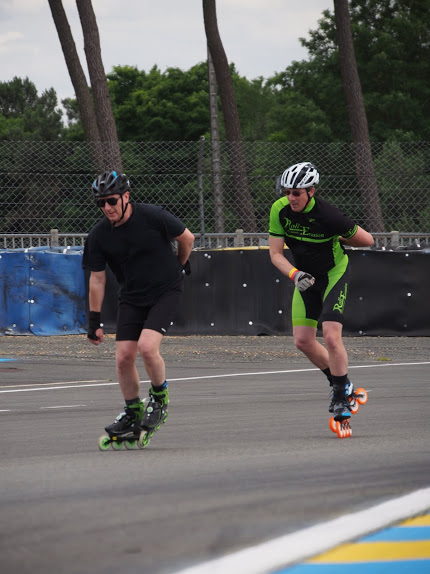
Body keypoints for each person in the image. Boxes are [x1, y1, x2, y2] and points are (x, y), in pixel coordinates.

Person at [82, 170, 194, 445]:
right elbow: (97, 279)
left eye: (111, 201)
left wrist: (179, 266)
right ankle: (133, 410)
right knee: (123, 358)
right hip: (132, 296)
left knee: (147, 347)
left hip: (165, 290)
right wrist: (94, 321)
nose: (106, 208)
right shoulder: (98, 236)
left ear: (126, 197)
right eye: (101, 203)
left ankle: (159, 398)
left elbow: (187, 238)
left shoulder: (152, 216)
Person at [268, 162, 374, 425]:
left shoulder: (329, 216)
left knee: (330, 336)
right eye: (287, 191)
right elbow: (275, 254)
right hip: (304, 277)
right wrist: (295, 274)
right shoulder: (279, 210)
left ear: (311, 192)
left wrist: (341, 238)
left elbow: (368, 240)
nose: (290, 197)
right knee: (303, 341)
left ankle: (340, 396)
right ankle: (343, 384)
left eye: (297, 193)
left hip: (333, 274)